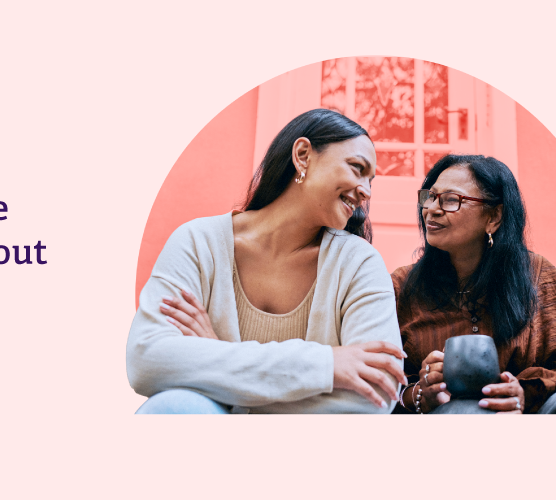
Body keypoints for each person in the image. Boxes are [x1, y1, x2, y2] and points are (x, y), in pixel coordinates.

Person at [127, 108, 406, 414]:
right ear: (303, 155)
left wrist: (221, 362)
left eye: (371, 180)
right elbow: (147, 358)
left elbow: (378, 390)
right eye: (357, 168)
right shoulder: (197, 242)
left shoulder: (360, 264)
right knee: (173, 407)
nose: (366, 191)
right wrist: (326, 365)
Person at [393, 154, 556, 414]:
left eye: (451, 200)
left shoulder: (536, 276)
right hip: (448, 420)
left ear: (494, 217)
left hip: (531, 416)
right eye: (429, 196)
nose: (431, 208)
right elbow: (382, 380)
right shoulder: (402, 287)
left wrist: (525, 392)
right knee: (467, 412)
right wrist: (421, 393)